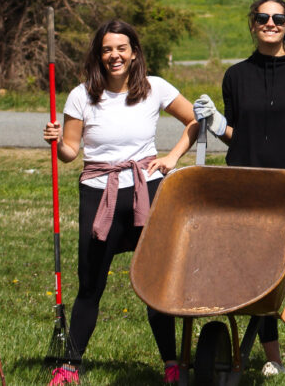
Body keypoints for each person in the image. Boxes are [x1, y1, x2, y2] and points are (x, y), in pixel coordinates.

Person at [192, 0, 285, 383]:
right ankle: (272, 357)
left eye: (278, 18)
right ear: (253, 24)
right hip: (248, 188)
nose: (270, 23)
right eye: (262, 17)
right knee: (257, 274)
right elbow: (236, 136)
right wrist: (214, 122)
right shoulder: (236, 76)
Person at [43, 20, 199, 386]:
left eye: (121, 48)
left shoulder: (156, 88)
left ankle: (171, 366)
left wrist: (173, 157)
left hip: (148, 189)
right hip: (99, 194)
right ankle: (69, 368)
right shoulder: (81, 95)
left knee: (156, 284)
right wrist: (56, 140)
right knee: (90, 284)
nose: (115, 55)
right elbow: (69, 152)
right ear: (99, 55)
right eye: (107, 49)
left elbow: (195, 120)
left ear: (134, 53)